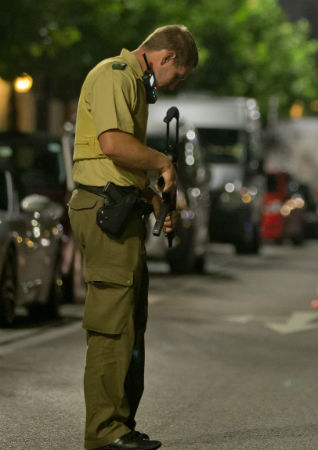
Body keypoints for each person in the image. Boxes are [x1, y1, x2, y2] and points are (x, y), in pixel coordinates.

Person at [67, 25, 198, 450]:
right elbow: (112, 144)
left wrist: (156, 201)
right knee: (112, 324)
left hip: (121, 210)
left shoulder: (134, 86)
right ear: (165, 57)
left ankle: (120, 424)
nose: (174, 84)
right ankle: (105, 431)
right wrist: (163, 163)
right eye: (177, 75)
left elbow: (123, 166)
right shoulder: (115, 75)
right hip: (103, 211)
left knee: (129, 325)